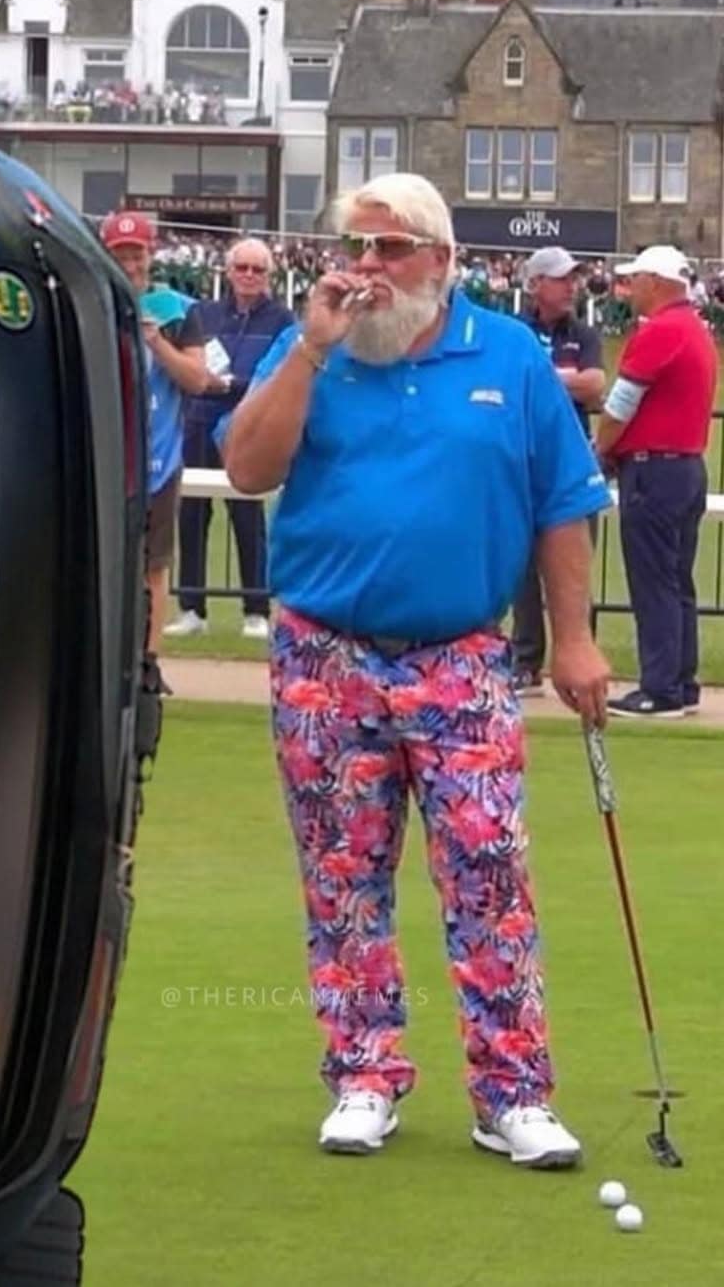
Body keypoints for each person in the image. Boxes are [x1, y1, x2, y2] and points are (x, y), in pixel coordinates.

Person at [219, 173, 611, 1168]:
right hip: (325, 654)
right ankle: (363, 1075)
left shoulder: (510, 356)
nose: (368, 269)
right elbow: (250, 468)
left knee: (488, 870)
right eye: (356, 247)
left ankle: (512, 1093)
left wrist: (573, 638)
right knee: (343, 878)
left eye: (391, 250)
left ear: (441, 260)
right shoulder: (319, 349)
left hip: (462, 654)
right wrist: (308, 345)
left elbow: (563, 502)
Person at [595, 245, 716, 719]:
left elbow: (621, 404)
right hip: (685, 466)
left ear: (658, 282)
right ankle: (680, 682)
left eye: (636, 279)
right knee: (676, 579)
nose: (630, 288)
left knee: (653, 582)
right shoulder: (695, 330)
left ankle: (660, 688)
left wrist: (601, 450)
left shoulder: (661, 331)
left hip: (655, 470)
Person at [165, 238, 294, 641]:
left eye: (258, 269)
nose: (249, 276)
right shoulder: (203, 313)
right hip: (200, 421)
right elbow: (190, 364)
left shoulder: (282, 320)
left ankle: (255, 608)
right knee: (191, 515)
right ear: (229, 272)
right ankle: (191, 607)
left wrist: (232, 385)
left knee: (247, 516)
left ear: (269, 276)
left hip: (246, 425)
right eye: (243, 268)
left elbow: (279, 375)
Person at [100, 211, 210, 660]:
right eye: (119, 255)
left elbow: (198, 379)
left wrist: (157, 342)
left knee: (154, 566)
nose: (129, 265)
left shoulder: (177, 310)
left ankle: (147, 659)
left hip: (158, 458)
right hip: (104, 453)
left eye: (136, 254)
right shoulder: (93, 301)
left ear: (151, 254)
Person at [511, 247, 607, 695]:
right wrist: (561, 379)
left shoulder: (583, 334)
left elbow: (595, 385)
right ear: (535, 285)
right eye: (560, 278)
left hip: (570, 464)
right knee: (523, 570)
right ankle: (525, 663)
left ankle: (580, 657)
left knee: (574, 565)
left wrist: (540, 377)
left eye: (573, 278)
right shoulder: (515, 331)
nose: (571, 286)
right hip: (520, 461)